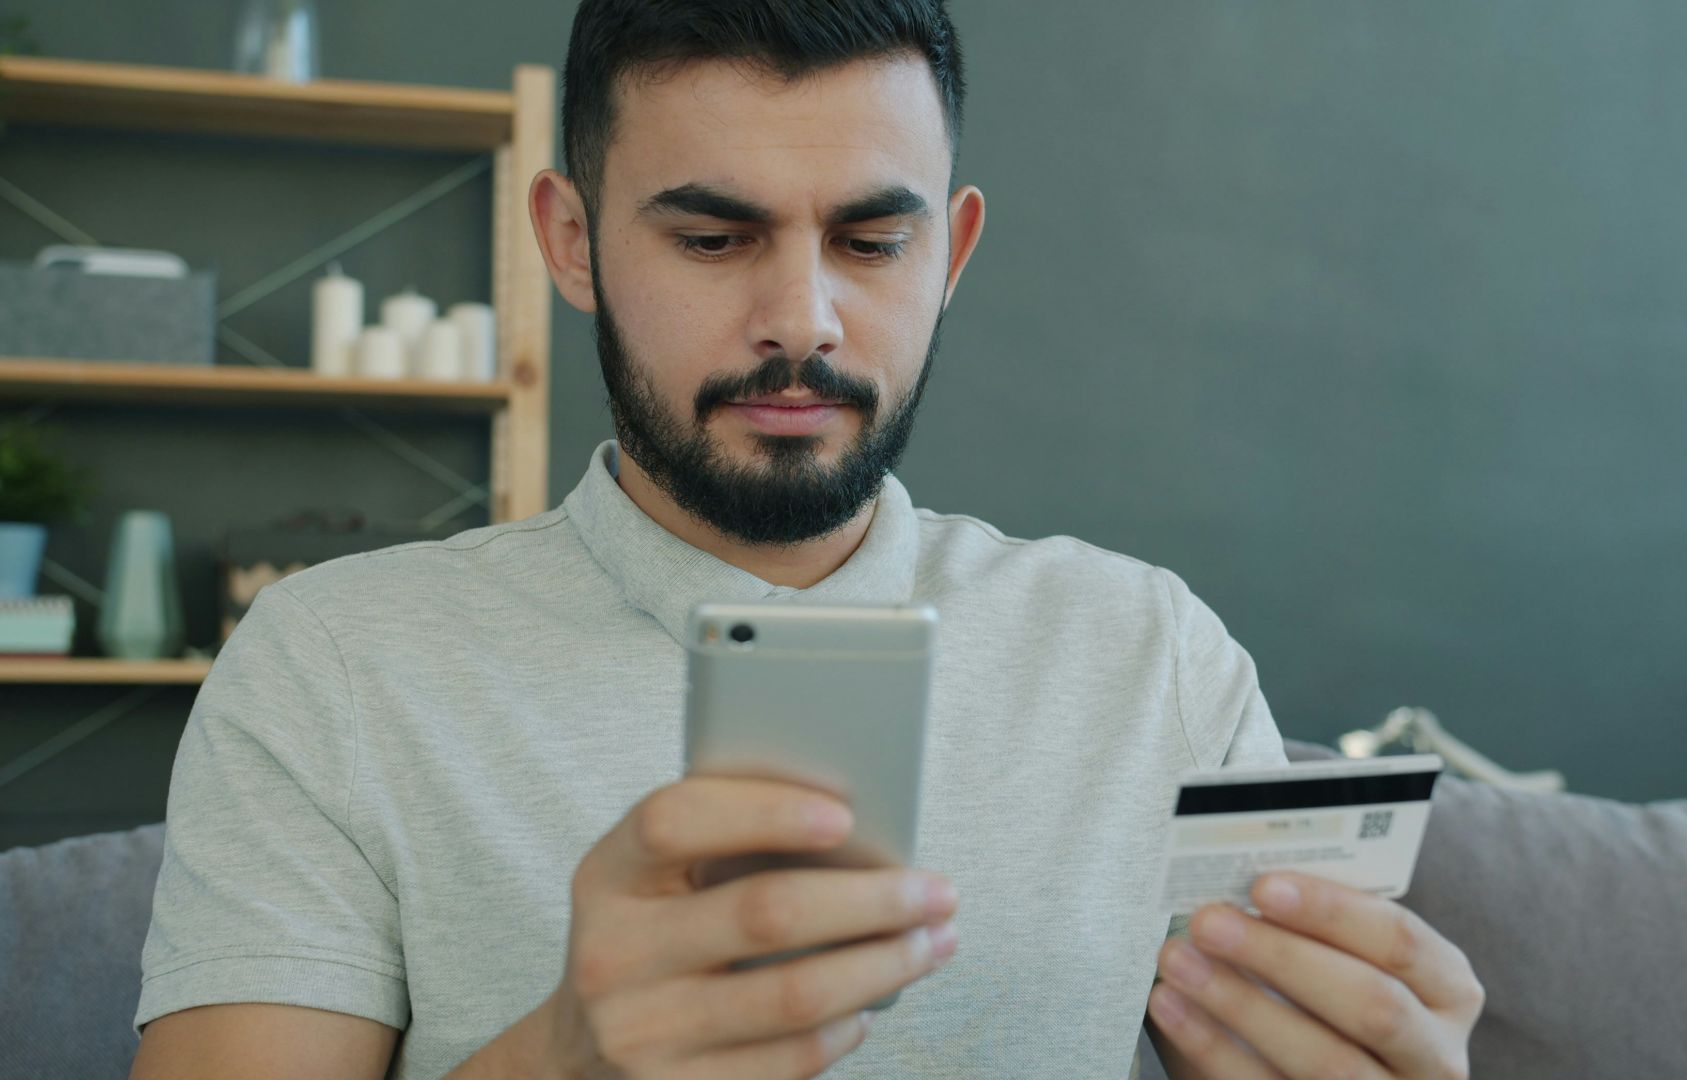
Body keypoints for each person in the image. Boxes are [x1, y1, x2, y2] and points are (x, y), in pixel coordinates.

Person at [128, 2, 1483, 1078]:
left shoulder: (1150, 657)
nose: (804, 319)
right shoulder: (337, 666)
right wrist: (565, 1063)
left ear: (950, 254)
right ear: (571, 239)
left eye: (871, 240)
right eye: (714, 238)